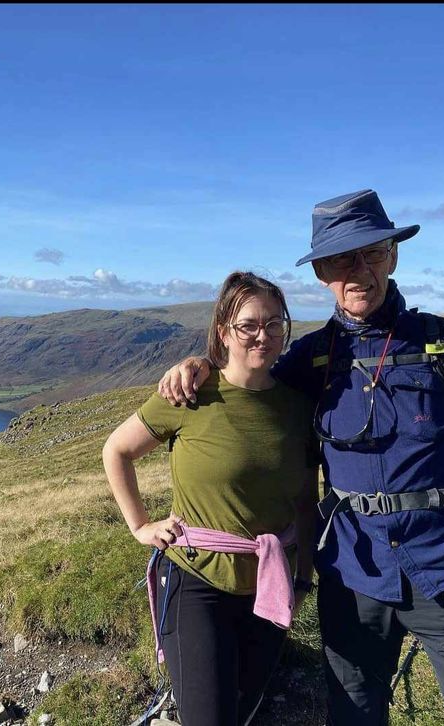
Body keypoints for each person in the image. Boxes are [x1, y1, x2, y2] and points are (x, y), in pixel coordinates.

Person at [158, 189, 444, 726]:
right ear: (321, 274)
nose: (359, 271)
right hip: (356, 576)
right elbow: (247, 387)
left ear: (393, 256)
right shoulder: (310, 358)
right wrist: (199, 363)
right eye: (340, 259)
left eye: (372, 253)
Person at [102, 271, 319, 726]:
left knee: (245, 705)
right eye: (249, 325)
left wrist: (302, 580)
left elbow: (303, 497)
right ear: (224, 332)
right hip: (195, 579)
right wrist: (140, 526)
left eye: (274, 324)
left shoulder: (299, 407)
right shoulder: (190, 394)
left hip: (269, 581)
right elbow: (117, 450)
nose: (264, 335)